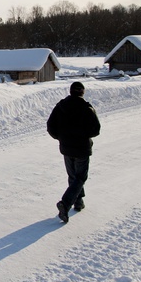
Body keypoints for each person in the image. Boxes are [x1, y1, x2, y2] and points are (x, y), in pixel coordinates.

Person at [47, 81, 101, 223]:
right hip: (82, 148)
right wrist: (83, 135)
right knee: (80, 177)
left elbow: (50, 126)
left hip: (66, 147)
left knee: (73, 177)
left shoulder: (60, 106)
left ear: (71, 91)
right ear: (82, 92)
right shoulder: (86, 108)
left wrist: (60, 137)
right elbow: (96, 130)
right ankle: (65, 204)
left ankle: (78, 202)